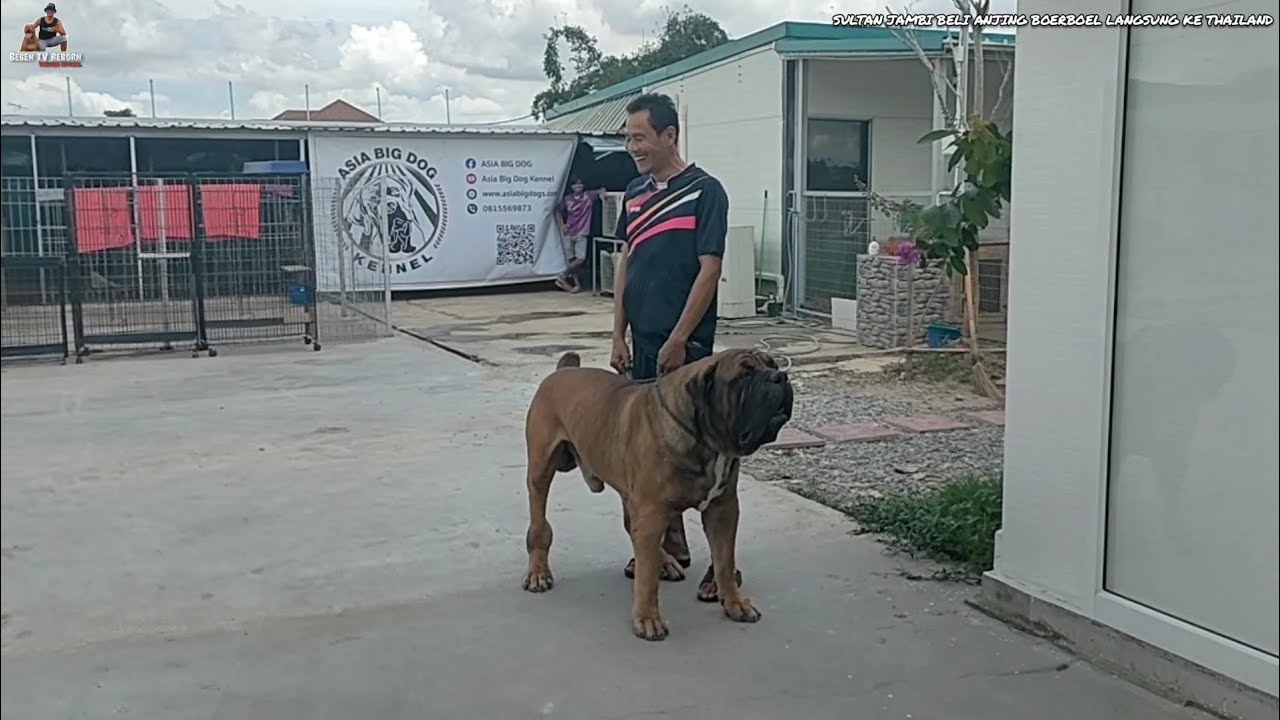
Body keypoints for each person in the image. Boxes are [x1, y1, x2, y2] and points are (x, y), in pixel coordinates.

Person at [609, 92, 730, 598]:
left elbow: (710, 268)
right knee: (645, 452)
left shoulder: (705, 192)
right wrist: (618, 332)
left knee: (705, 452)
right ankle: (666, 548)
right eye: (629, 138)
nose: (632, 147)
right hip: (642, 345)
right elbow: (626, 261)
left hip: (688, 350)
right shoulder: (635, 193)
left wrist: (682, 337)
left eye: (640, 137)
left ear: (669, 135)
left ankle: (722, 568)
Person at [554, 178, 603, 293]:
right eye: (575, 184)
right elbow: (557, 211)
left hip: (582, 232)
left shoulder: (589, 196)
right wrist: (562, 224)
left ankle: (562, 275)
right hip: (569, 232)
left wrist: (603, 193)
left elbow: (601, 190)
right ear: (571, 187)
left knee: (580, 258)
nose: (578, 186)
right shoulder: (567, 199)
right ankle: (577, 285)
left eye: (580, 184)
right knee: (573, 260)